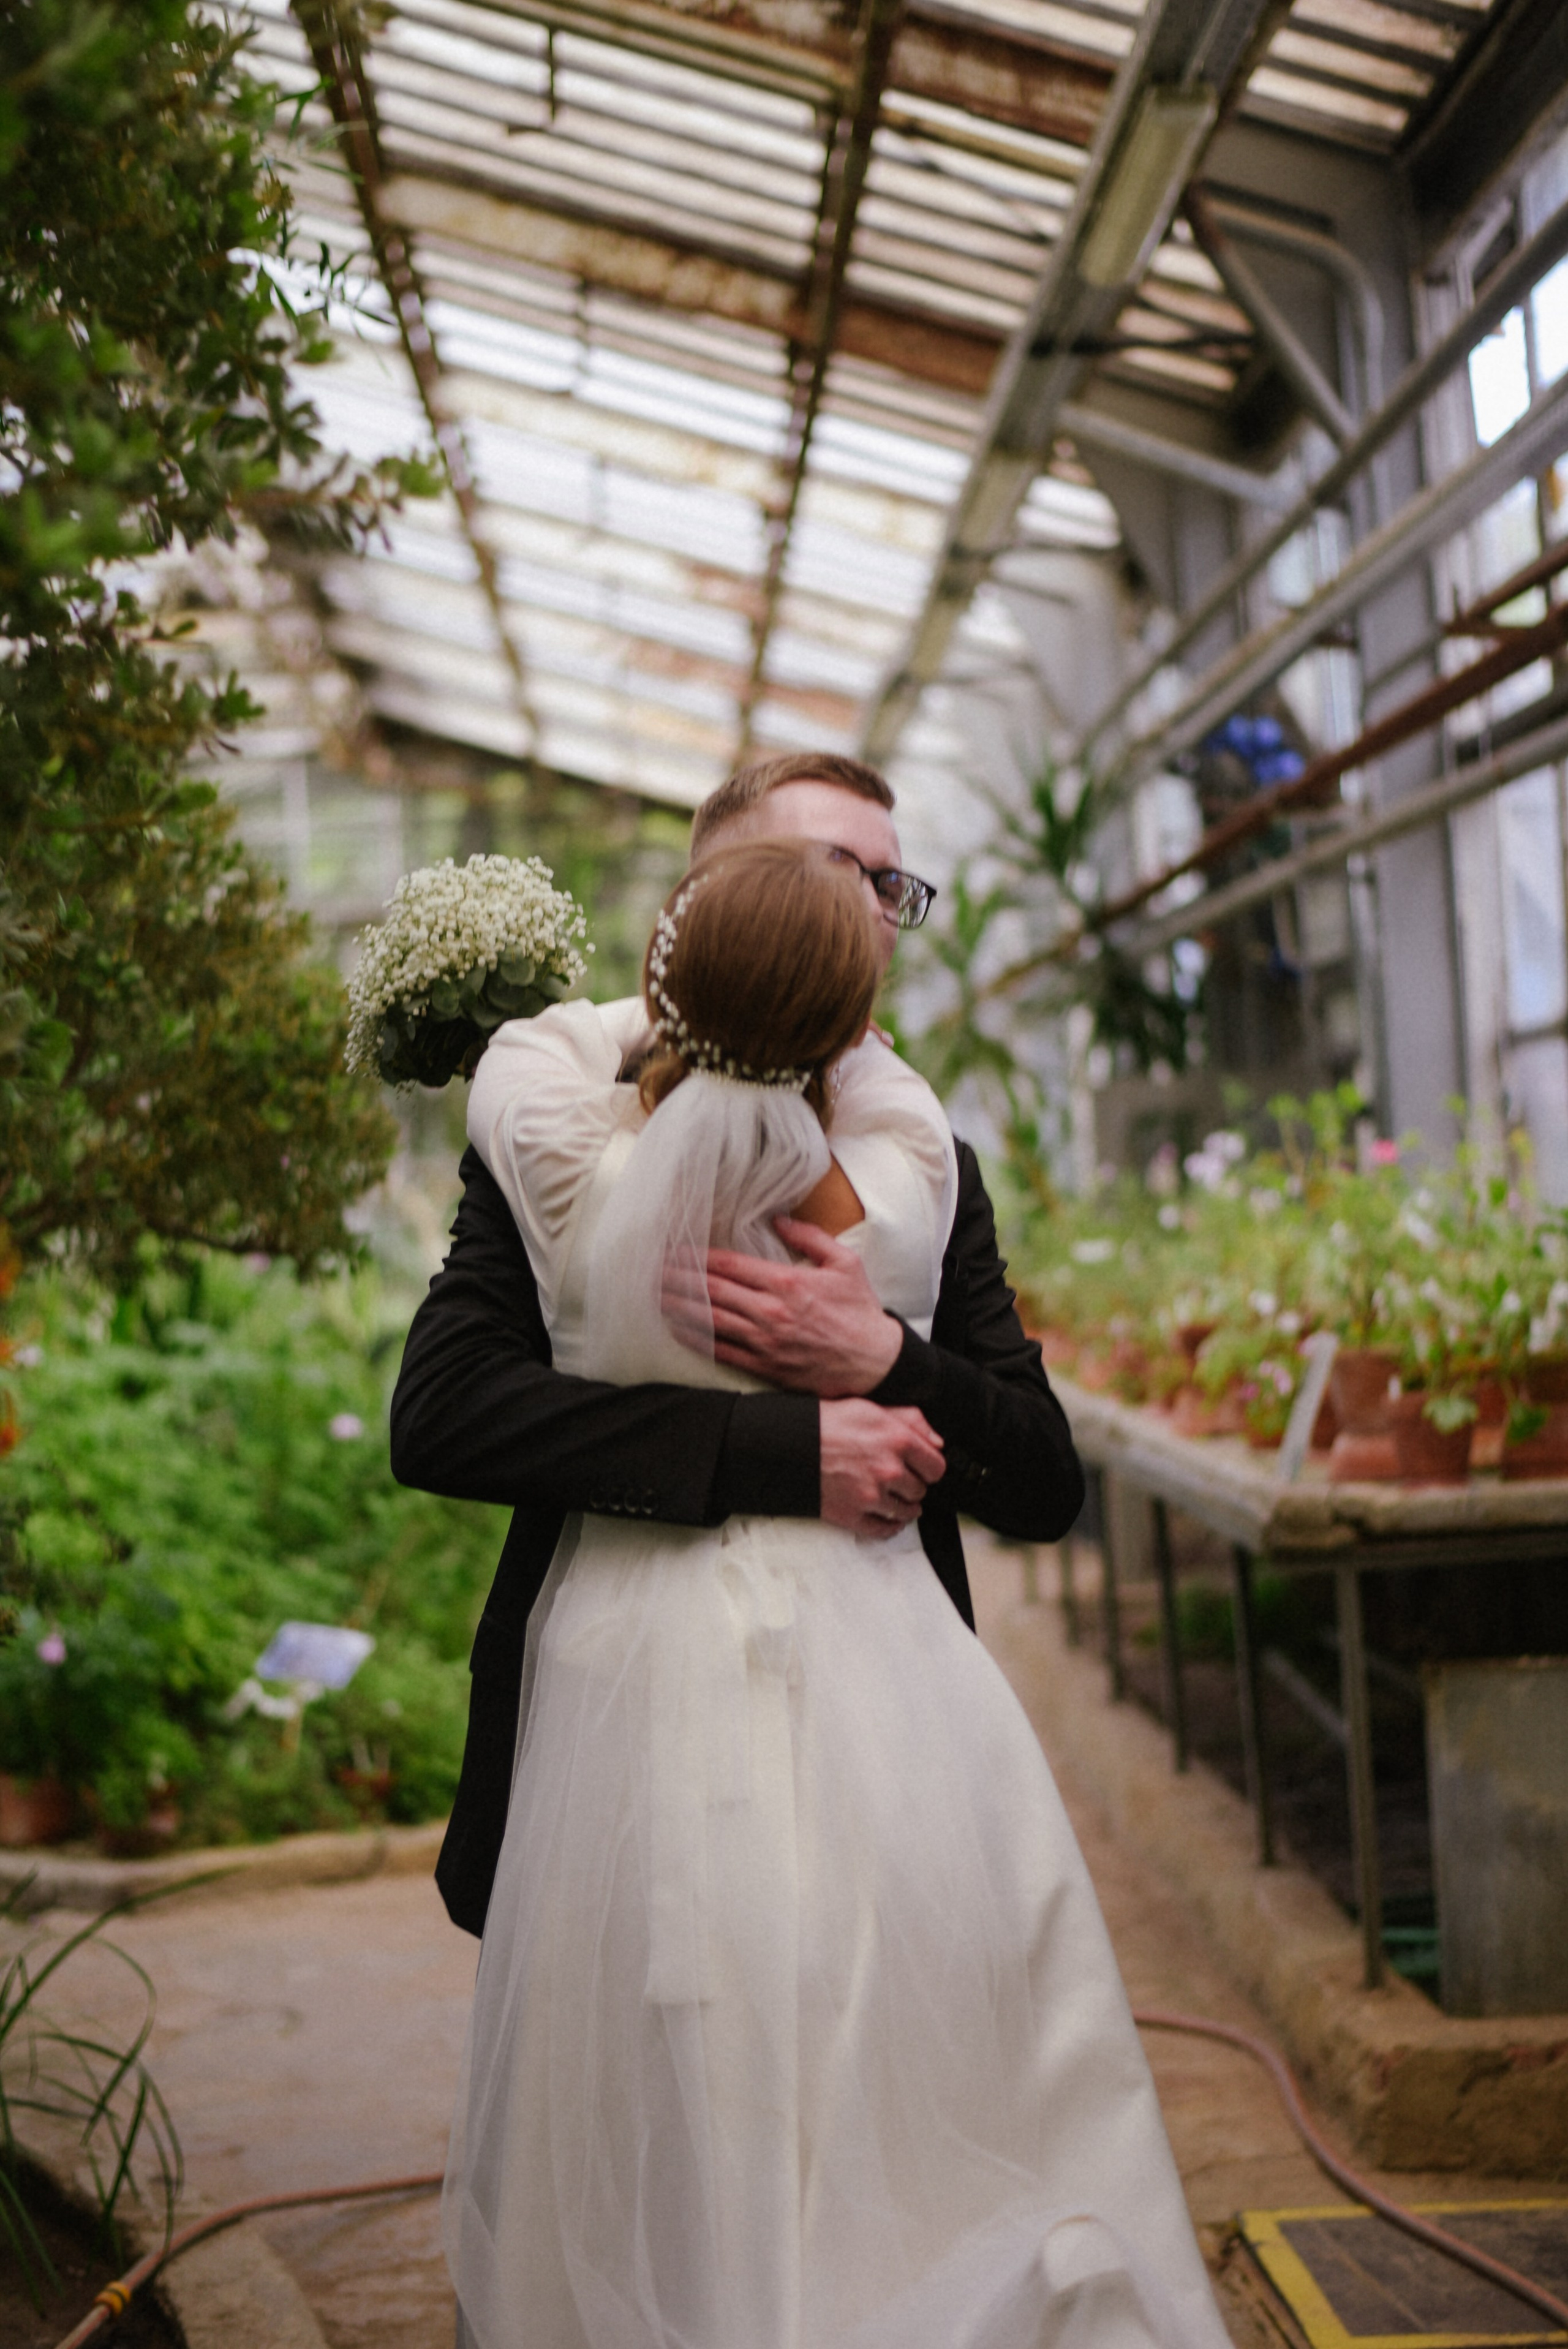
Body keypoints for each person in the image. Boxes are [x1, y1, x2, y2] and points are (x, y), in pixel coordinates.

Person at [442, 838, 1229, 2349]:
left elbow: (524, 1054)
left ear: (665, 959)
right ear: (850, 1020)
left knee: (683, 2027)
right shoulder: (883, 1204)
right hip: (872, 1655)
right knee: (885, 2011)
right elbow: (885, 1102)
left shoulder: (554, 1162)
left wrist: (661, 999)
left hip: (630, 1652)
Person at [391, 752, 1084, 1942]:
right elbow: (446, 1413)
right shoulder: (557, 1126)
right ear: (709, 890)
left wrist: (883, 1356)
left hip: (881, 1731)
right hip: (612, 1722)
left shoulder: (924, 1165)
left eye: (890, 883)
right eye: (830, 866)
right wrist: (783, 1448)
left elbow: (1040, 1482)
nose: (870, 907)